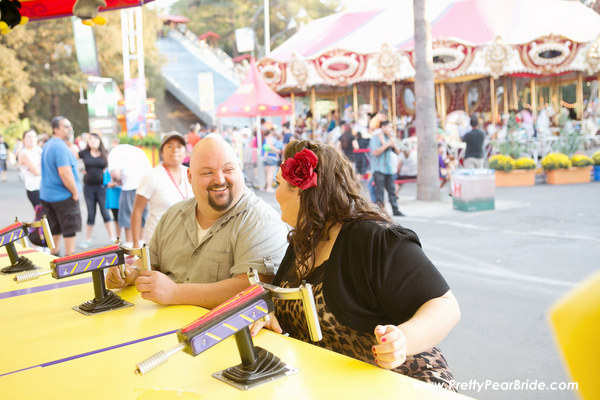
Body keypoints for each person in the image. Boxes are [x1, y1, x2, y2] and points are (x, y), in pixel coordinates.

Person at [250, 140, 460, 392]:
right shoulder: (303, 241)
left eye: (278, 183)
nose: (275, 193)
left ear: (299, 191)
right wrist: (269, 316)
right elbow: (287, 309)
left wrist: (402, 340)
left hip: (408, 385)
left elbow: (446, 306)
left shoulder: (372, 238)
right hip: (341, 387)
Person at [105, 136, 289, 308]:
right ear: (190, 177)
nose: (220, 179)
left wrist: (176, 293)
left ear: (239, 169)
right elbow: (152, 262)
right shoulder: (174, 214)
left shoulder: (261, 221)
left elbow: (252, 289)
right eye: (207, 172)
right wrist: (131, 273)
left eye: (228, 169)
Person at [131, 132, 193, 248]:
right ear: (162, 152)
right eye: (169, 146)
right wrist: (135, 244)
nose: (175, 150)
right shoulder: (152, 176)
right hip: (158, 243)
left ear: (185, 152)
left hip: (187, 242)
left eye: (179, 146)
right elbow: (137, 211)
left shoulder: (190, 173)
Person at [40, 117, 82, 256]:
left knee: (55, 228)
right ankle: (70, 260)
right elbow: (65, 173)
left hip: (48, 195)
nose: (69, 128)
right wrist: (75, 192)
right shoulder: (59, 146)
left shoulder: (48, 144)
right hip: (63, 196)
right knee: (69, 230)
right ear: (56, 129)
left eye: (70, 126)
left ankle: (54, 256)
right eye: (65, 126)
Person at [107, 144, 152, 247]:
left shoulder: (114, 154)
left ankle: (130, 243)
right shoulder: (135, 150)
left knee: (128, 216)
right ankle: (141, 242)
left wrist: (116, 180)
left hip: (130, 187)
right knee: (143, 215)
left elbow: (116, 174)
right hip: (146, 185)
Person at [78, 133, 116, 248]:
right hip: (88, 188)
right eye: (90, 139)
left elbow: (111, 166)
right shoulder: (84, 153)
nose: (92, 141)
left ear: (99, 140)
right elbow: (73, 159)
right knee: (91, 213)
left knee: (105, 212)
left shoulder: (105, 153)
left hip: (102, 187)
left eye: (94, 139)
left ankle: (112, 238)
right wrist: (81, 168)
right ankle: (87, 239)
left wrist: (110, 179)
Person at [370, 121, 403, 216]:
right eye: (389, 127)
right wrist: (387, 144)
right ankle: (381, 212)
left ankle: (395, 210)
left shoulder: (390, 138)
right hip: (378, 168)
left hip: (389, 168)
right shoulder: (375, 138)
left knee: (392, 190)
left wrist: (393, 144)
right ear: (383, 127)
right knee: (379, 191)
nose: (391, 129)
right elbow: (375, 152)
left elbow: (397, 152)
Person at [17, 129, 42, 209]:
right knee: (41, 216)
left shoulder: (38, 150)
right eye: (29, 137)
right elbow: (37, 171)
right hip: (34, 188)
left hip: (43, 186)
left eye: (34, 136)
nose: (32, 139)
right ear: (24, 139)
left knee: (48, 216)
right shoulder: (24, 154)